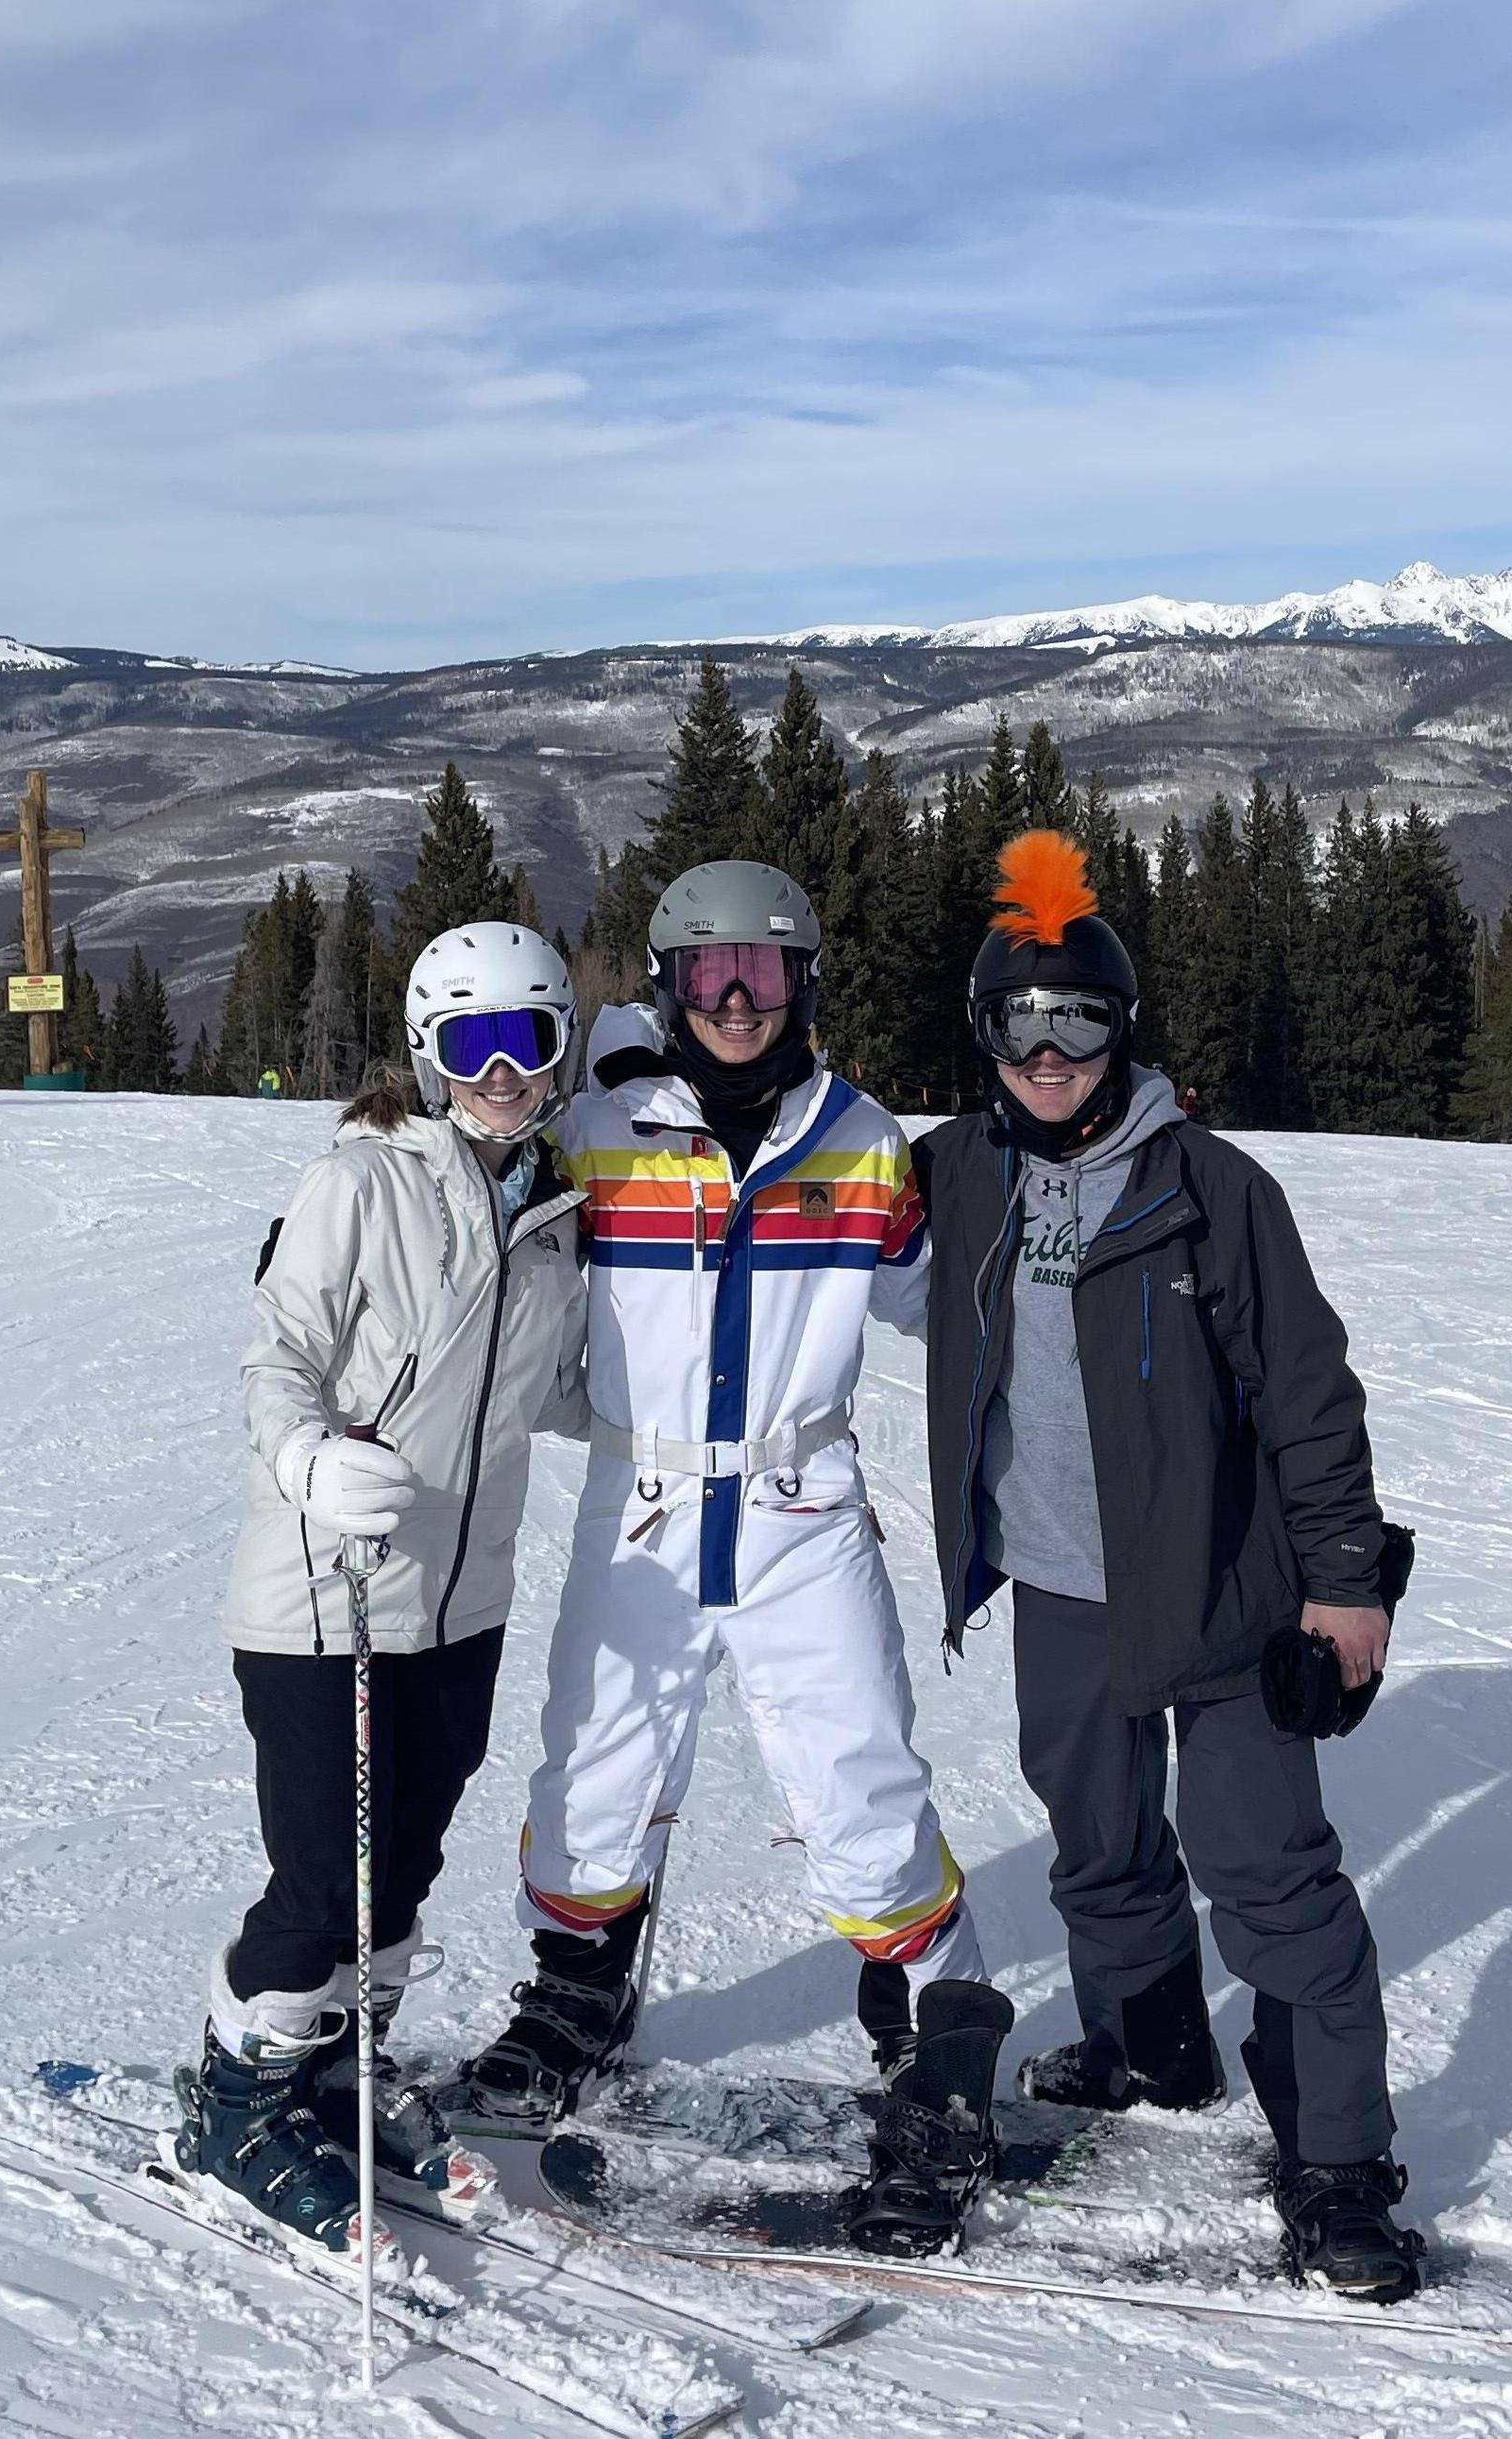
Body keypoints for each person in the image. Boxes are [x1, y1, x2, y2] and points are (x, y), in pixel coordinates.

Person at [453, 861, 1006, 2256]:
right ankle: (579, 1992)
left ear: (804, 980)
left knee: (856, 1766)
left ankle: (925, 2025)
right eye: (709, 975)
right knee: (595, 1757)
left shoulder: (861, 1139)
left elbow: (955, 1308)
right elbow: (483, 1241)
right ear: (667, 985)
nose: (739, 999)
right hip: (636, 1501)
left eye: (763, 972)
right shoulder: (598, 1130)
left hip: (797, 1500)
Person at [910, 829, 1422, 2302]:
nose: (1050, 1050)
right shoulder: (956, 1177)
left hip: (1226, 1589)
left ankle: (1337, 2160)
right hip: (1063, 1586)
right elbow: (793, 1170)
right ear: (987, 1038)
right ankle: (1148, 2046)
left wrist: (1345, 1583)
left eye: (1078, 1021)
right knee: (1100, 1842)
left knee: (1269, 1878)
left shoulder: (1210, 1188)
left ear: (1119, 1033)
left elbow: (1310, 1399)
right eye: (1022, 1022)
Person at [175, 923, 588, 2255]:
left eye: (526, 1038)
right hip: (327, 1596)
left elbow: (561, 1391)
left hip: (459, 1604)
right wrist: (306, 1455)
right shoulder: (360, 1180)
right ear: (428, 1053)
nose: (502, 1070)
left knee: (401, 1867)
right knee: (319, 1884)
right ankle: (232, 2103)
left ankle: (338, 2066)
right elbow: (276, 1352)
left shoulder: (553, 1215)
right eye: (472, 1044)